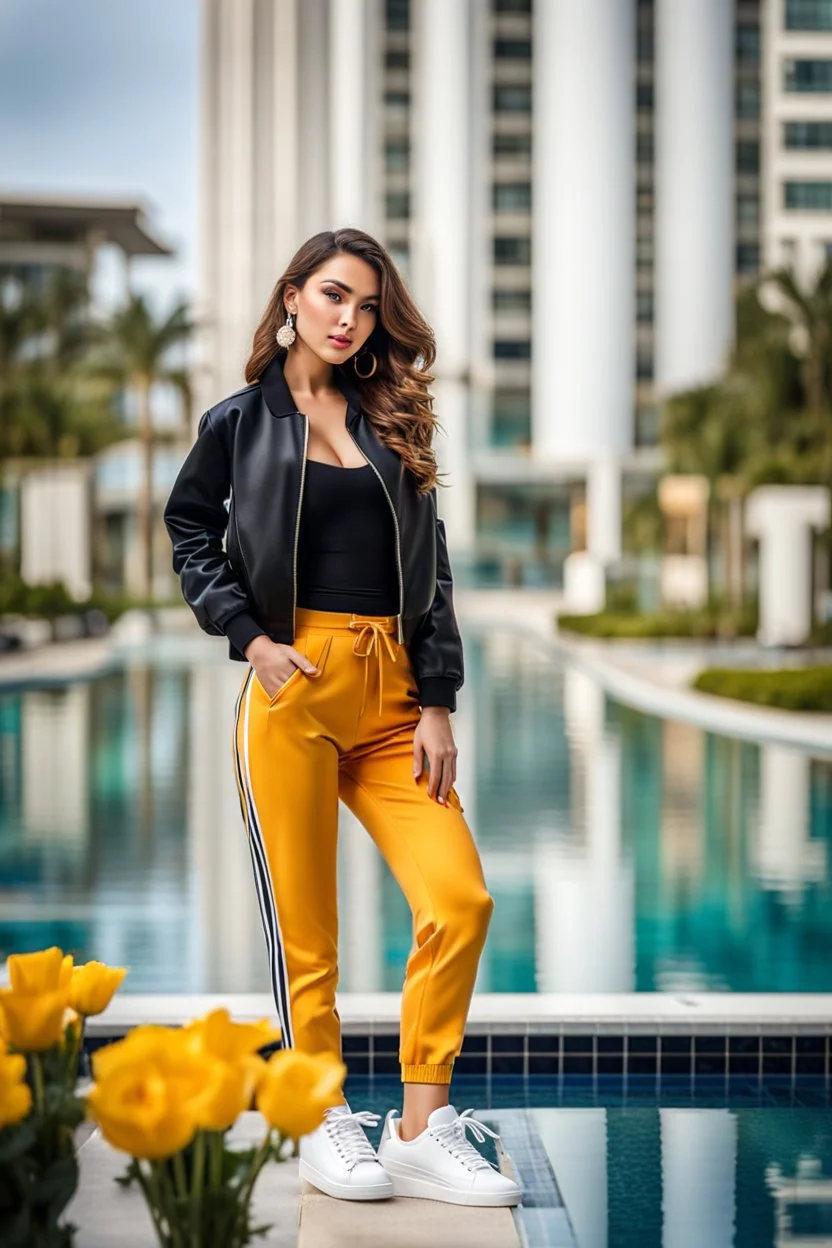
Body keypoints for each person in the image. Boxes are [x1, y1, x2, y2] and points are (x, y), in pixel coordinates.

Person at [163, 228, 522, 1208]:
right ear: (291, 295)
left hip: (393, 694)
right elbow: (189, 529)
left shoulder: (388, 421)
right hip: (293, 688)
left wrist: (438, 700)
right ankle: (322, 1114)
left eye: (363, 305)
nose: (345, 317)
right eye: (330, 294)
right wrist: (248, 637)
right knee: (306, 933)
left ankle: (416, 1127)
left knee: (458, 898)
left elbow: (431, 576)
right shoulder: (238, 423)